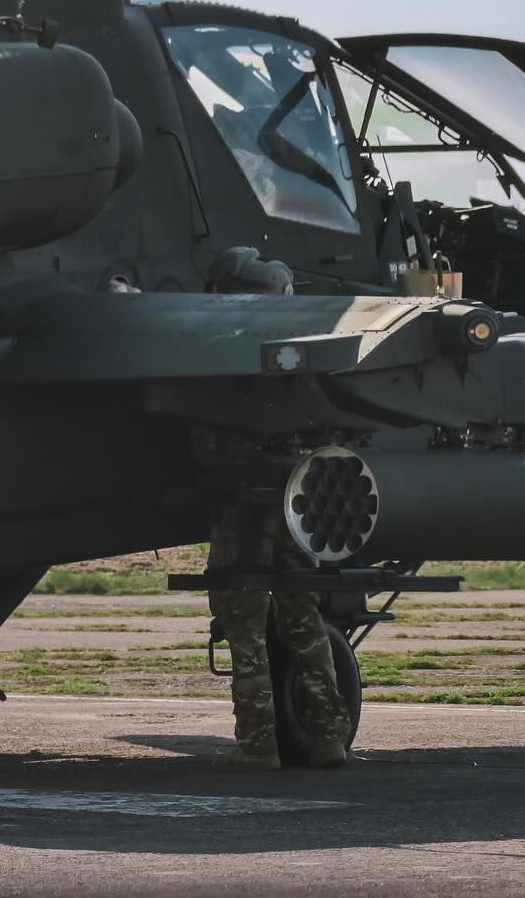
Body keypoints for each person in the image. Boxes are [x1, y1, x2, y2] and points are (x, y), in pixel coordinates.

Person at [198, 248, 351, 771]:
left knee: (244, 628)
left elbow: (206, 443)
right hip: (297, 507)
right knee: (303, 622)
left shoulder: (221, 351)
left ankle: (258, 743)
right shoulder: (305, 351)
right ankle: (330, 735)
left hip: (243, 513)